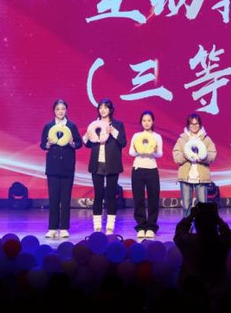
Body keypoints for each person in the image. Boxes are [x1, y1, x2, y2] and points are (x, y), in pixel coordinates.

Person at [40, 98, 83, 239]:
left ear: (66, 110)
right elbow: (42, 144)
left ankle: (64, 228)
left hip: (67, 167)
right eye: (58, 109)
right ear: (54, 110)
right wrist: (47, 144)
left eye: (63, 109)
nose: (60, 111)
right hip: (52, 168)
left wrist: (72, 143)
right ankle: (52, 228)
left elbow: (79, 143)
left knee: (65, 199)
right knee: (53, 199)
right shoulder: (48, 126)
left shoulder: (71, 126)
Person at [82, 98, 127, 234]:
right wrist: (86, 137)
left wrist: (113, 131)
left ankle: (110, 225)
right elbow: (88, 144)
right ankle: (97, 225)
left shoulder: (117, 124)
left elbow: (123, 142)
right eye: (100, 107)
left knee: (111, 195)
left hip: (112, 164)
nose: (103, 110)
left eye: (105, 107)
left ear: (110, 110)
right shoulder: (94, 125)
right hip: (97, 164)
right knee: (98, 194)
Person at [174, 202, 231, 292]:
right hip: (217, 292)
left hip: (190, 292)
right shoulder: (221, 243)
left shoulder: (190, 242)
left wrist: (191, 216)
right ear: (215, 223)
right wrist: (218, 219)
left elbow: (179, 232)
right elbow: (228, 235)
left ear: (197, 224)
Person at [172, 113, 217, 218]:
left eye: (196, 124)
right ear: (188, 125)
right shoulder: (182, 139)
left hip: (201, 177)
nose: (194, 126)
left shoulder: (206, 139)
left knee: (203, 206)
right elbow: (176, 156)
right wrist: (185, 156)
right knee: (186, 206)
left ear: (200, 125)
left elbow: (213, 155)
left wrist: (204, 157)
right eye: (192, 124)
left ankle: (202, 227)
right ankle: (187, 227)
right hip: (186, 177)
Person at [129, 110, 163, 238]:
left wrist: (153, 151)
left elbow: (160, 154)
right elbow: (131, 152)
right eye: (144, 120)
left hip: (152, 169)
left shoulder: (157, 137)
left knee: (153, 198)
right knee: (139, 199)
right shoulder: (136, 136)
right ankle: (141, 226)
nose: (146, 123)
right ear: (141, 122)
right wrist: (139, 150)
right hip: (138, 169)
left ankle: (151, 227)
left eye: (149, 120)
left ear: (153, 122)